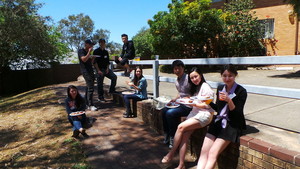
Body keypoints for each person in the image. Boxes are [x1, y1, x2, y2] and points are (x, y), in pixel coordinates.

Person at [161, 67, 215, 169]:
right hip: (194, 113)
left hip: (205, 115)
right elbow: (195, 100)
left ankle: (171, 153)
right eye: (192, 78)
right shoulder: (195, 87)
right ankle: (181, 165)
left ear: (200, 75)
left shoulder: (205, 87)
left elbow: (207, 105)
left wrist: (194, 103)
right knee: (184, 137)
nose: (194, 79)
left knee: (180, 127)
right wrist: (187, 99)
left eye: (196, 76)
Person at [197, 64, 247, 169]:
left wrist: (229, 100)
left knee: (212, 153)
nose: (227, 78)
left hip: (233, 124)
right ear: (221, 76)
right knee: (204, 151)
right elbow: (219, 109)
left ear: (235, 75)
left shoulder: (241, 91)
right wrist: (208, 102)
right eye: (224, 75)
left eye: (230, 75)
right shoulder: (220, 88)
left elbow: (237, 114)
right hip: (219, 121)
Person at [162, 60, 192, 148]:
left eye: (179, 68)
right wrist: (174, 99)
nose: (177, 71)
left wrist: (188, 98)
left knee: (170, 113)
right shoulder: (177, 81)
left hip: (189, 106)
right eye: (175, 69)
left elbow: (195, 93)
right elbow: (180, 93)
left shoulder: (189, 78)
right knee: (164, 110)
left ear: (183, 68)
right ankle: (166, 134)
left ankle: (173, 137)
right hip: (180, 103)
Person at [93, 38, 117, 102]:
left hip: (105, 69)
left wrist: (107, 69)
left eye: (103, 42)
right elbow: (95, 62)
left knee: (114, 77)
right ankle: (100, 97)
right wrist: (98, 70)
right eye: (101, 42)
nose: (102, 43)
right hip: (99, 70)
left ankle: (111, 91)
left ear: (104, 43)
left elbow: (107, 62)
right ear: (99, 43)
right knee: (100, 83)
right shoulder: (96, 51)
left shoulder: (106, 52)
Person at [78, 39, 97, 111]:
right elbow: (83, 59)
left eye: (92, 45)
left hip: (90, 71)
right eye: (91, 44)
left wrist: (93, 58)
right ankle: (90, 105)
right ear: (86, 44)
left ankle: (86, 102)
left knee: (88, 87)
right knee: (91, 88)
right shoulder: (81, 51)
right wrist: (89, 52)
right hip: (85, 71)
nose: (92, 46)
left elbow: (90, 62)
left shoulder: (87, 52)